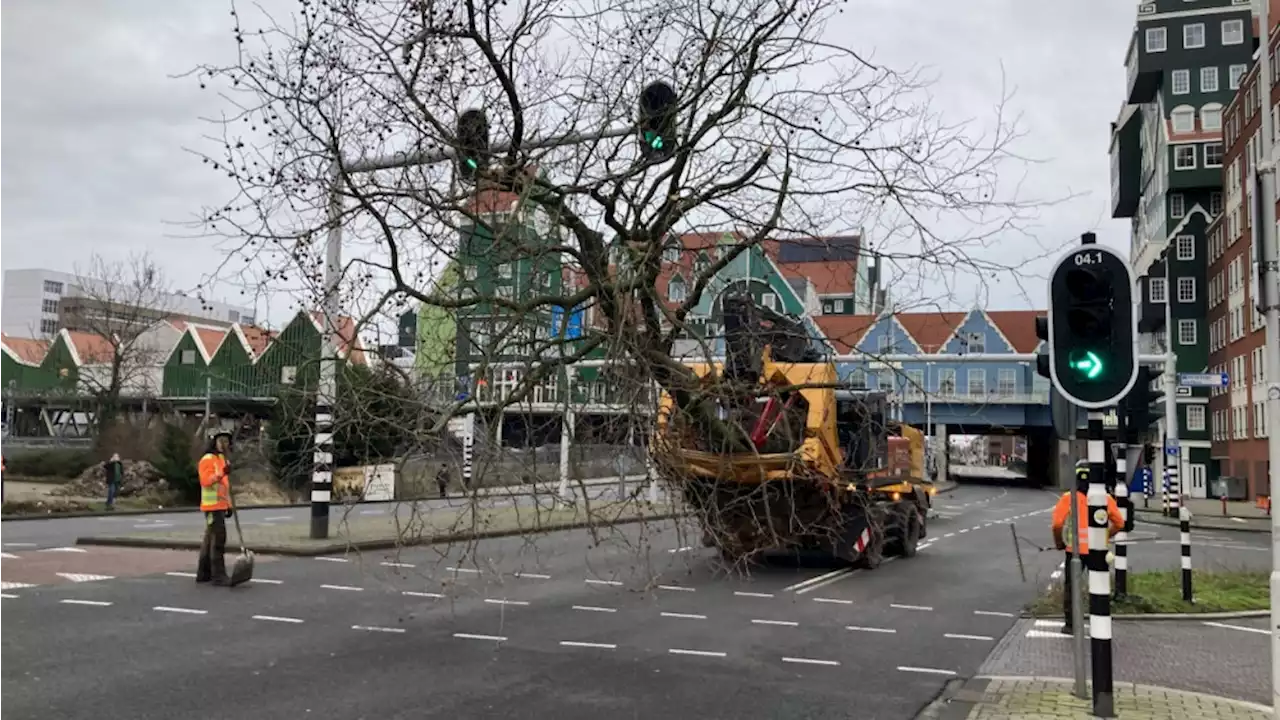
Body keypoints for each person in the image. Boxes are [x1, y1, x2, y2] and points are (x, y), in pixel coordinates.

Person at [1051, 462, 1124, 635]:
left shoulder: (1069, 498)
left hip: (1074, 551)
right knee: (1099, 585)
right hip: (1097, 551)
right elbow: (1120, 523)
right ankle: (1099, 618)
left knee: (1072, 588)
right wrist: (1105, 536)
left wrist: (1059, 543)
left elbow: (1057, 524)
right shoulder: (1104, 498)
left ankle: (1070, 625)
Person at [196, 430, 234, 586]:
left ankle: (204, 573)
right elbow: (206, 481)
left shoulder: (221, 459)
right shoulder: (207, 459)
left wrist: (228, 504)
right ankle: (218, 575)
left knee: (209, 539)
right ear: (214, 442)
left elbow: (224, 485)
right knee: (218, 539)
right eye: (221, 441)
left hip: (219, 505)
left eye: (226, 441)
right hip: (212, 506)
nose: (224, 444)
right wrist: (221, 474)